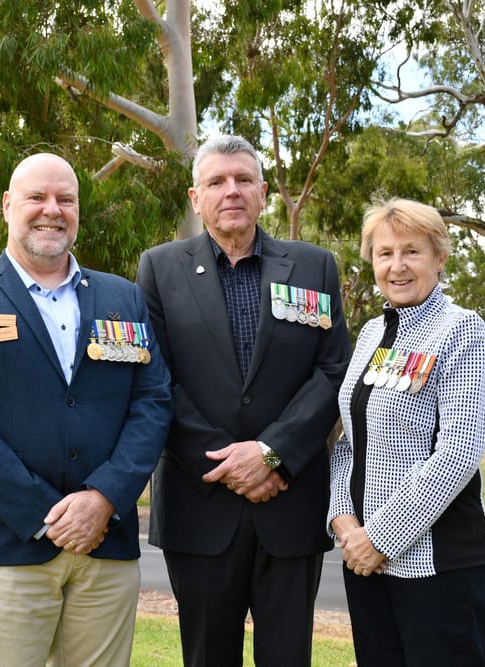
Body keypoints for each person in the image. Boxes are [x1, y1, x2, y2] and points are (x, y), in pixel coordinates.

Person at [0, 153, 174, 666]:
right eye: (36, 197)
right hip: (6, 550)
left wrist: (103, 499)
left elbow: (152, 403)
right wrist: (46, 514)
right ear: (7, 206)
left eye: (65, 199)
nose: (51, 210)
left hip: (106, 547)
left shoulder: (124, 299)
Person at [136, 134, 351, 666]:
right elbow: (154, 378)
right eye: (216, 181)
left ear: (263, 192)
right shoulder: (159, 269)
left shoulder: (315, 267)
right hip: (199, 504)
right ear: (196, 198)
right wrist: (229, 464)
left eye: (243, 179)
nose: (231, 191)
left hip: (290, 502)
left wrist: (271, 454)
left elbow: (332, 370)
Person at [328, 198, 485, 666]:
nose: (397, 266)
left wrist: (380, 538)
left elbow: (458, 454)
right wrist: (342, 518)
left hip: (437, 567)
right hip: (365, 564)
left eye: (412, 252)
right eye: (385, 253)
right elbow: (349, 440)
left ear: (440, 257)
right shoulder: (371, 335)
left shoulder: (462, 331)